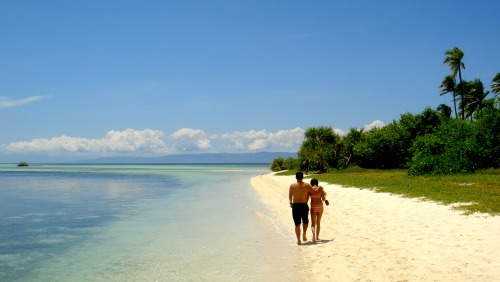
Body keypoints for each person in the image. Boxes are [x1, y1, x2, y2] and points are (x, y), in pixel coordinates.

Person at [289, 171, 314, 245]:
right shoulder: (307, 185)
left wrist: (290, 203)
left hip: (295, 205)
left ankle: (298, 240)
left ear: (296, 177)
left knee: (297, 224)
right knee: (305, 221)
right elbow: (313, 192)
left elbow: (290, 196)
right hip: (304, 204)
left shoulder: (292, 185)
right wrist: (320, 189)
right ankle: (304, 234)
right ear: (303, 177)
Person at [309, 178, 327, 243]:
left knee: (313, 223)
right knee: (318, 222)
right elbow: (323, 198)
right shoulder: (320, 188)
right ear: (317, 183)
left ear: (311, 183)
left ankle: (313, 235)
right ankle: (317, 236)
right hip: (320, 206)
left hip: (313, 206)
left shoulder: (310, 189)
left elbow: (307, 197)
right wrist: (325, 196)